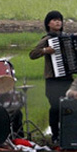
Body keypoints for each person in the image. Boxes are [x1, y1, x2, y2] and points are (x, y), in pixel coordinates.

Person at [29, 10, 72, 143]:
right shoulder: (47, 39)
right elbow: (32, 54)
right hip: (52, 79)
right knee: (55, 106)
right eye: (54, 20)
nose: (58, 22)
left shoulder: (68, 37)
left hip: (67, 78)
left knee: (69, 106)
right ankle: (55, 134)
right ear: (48, 24)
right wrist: (45, 51)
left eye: (59, 19)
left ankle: (69, 132)